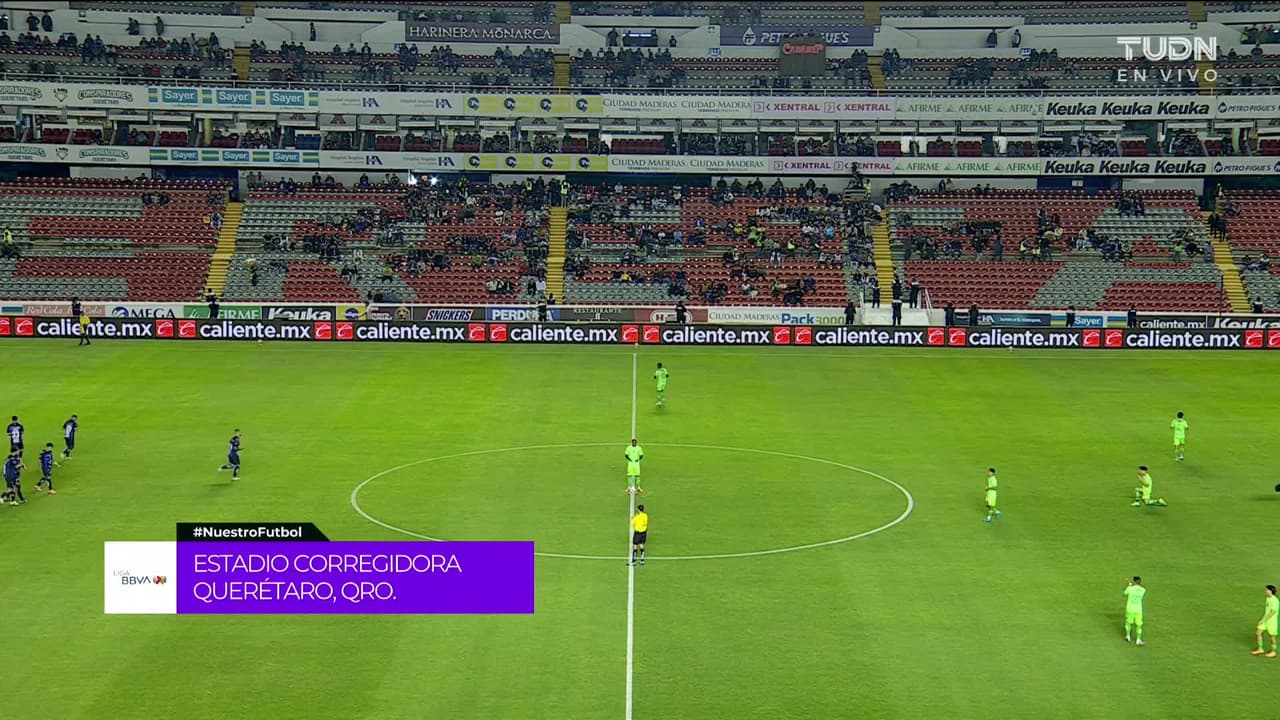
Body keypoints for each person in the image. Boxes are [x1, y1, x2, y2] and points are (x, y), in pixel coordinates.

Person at [1253, 585, 1279, 657]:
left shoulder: (1275, 601)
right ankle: (1260, 649)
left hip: (1272, 621)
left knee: (1272, 637)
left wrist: (1263, 620)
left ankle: (1273, 652)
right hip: (1265, 619)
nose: (1265, 591)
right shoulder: (1268, 598)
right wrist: (1263, 619)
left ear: (1271, 591)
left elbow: (1272, 613)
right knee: (1258, 632)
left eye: (1267, 590)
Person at [1124, 577, 1145, 645]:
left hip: (1130, 609)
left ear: (1133, 581)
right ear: (1140, 582)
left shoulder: (1129, 588)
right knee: (1139, 625)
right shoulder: (1143, 590)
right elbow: (1137, 589)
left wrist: (1129, 585)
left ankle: (1128, 636)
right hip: (1138, 610)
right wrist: (1131, 585)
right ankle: (1138, 640)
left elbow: (1124, 594)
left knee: (1128, 623)